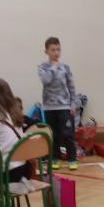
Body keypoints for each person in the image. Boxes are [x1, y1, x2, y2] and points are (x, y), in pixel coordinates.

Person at [37, 36, 79, 171]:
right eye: (53, 50)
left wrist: (73, 103)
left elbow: (71, 86)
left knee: (67, 134)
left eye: (58, 49)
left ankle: (72, 159)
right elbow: (45, 81)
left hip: (64, 106)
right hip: (49, 107)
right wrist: (53, 67)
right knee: (53, 134)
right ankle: (55, 158)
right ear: (46, 51)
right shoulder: (42, 67)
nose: (56, 52)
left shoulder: (65, 67)